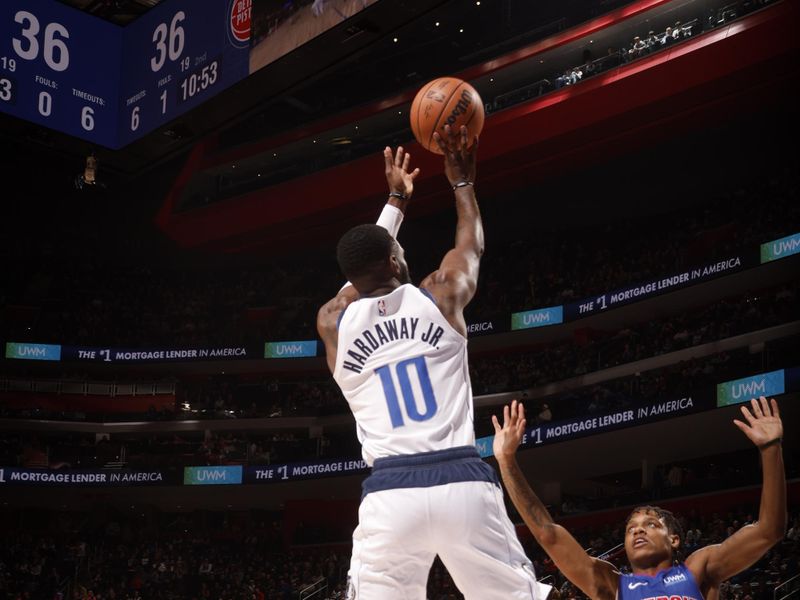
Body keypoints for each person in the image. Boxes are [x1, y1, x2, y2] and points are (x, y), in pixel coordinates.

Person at [317, 125, 539, 599]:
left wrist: (394, 204)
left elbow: (361, 266)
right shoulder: (439, 297)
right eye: (398, 253)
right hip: (460, 477)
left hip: (389, 493)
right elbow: (471, 247)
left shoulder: (333, 321)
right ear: (396, 264)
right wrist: (463, 183)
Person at [491, 396, 786, 600]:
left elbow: (768, 531)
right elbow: (548, 534)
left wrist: (770, 448)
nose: (638, 530)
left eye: (650, 524)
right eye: (631, 528)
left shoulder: (698, 569)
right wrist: (506, 461)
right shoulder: (612, 584)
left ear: (674, 540)